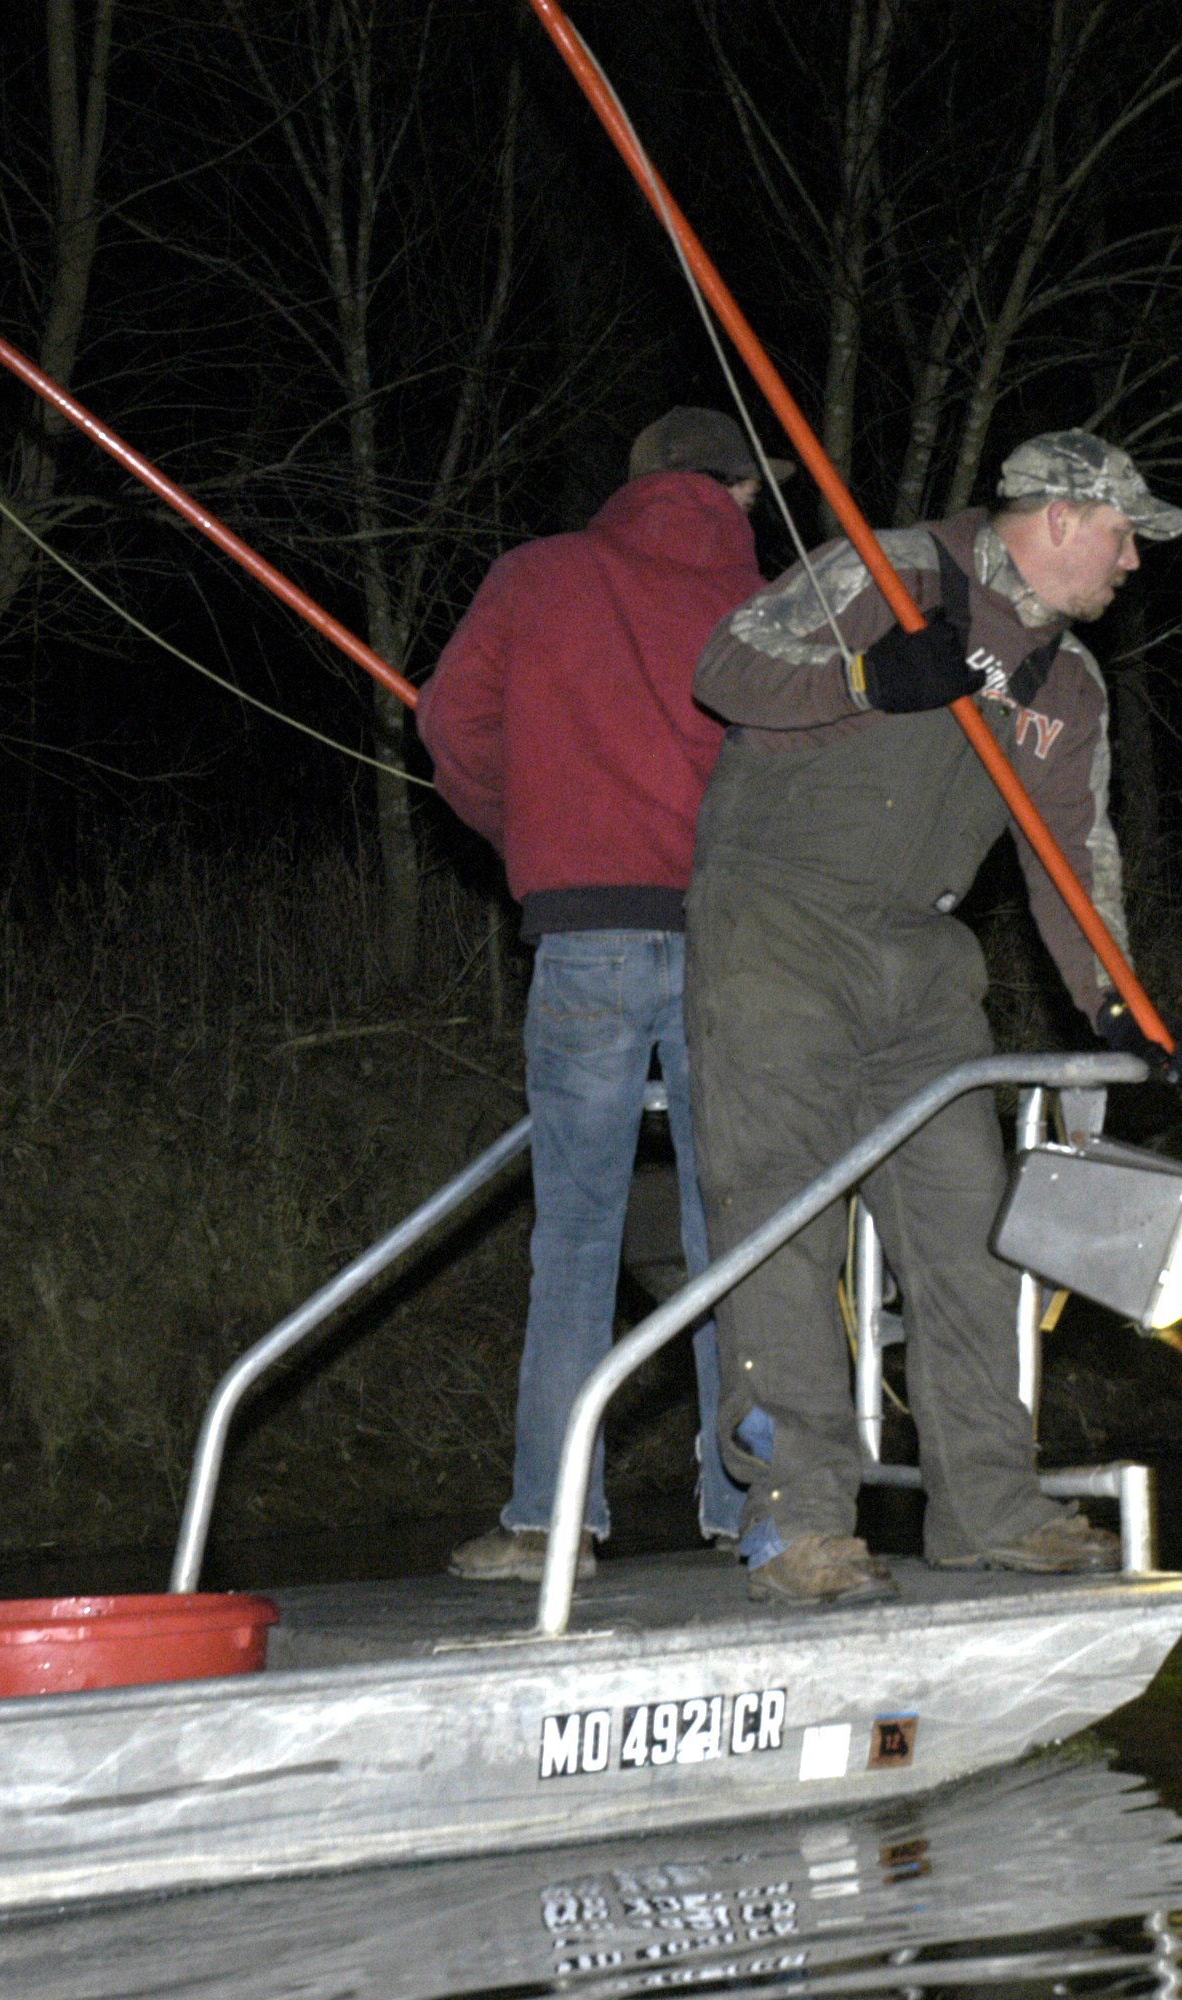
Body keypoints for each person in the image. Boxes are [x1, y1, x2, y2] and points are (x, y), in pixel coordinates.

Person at [685, 429, 1182, 1606]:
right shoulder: (889, 569)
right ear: (1062, 516)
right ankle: (800, 1519)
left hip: (923, 963)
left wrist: (1120, 1009)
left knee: (973, 1230)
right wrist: (866, 679)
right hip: (777, 932)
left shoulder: (1068, 685)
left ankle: (987, 1505)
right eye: (1124, 534)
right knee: (779, 1222)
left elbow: (1075, 858)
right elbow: (725, 664)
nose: (1132, 562)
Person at [417, 406, 789, 1581]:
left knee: (574, 1231)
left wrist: (528, 826)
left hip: (581, 936)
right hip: (727, 940)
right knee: (727, 1230)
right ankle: (747, 1507)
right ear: (729, 489)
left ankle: (551, 1518)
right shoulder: (775, 608)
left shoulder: (540, 574)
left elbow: (445, 720)